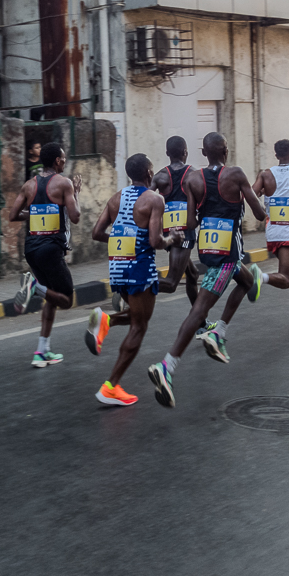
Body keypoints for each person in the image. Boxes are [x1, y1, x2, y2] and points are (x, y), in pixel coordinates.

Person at [147, 132, 265, 408]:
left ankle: (218, 332)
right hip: (228, 251)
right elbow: (258, 214)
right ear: (225, 150)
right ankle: (167, 365)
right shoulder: (235, 174)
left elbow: (189, 221)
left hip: (207, 247)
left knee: (247, 281)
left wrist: (203, 217)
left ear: (203, 152)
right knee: (199, 310)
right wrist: (259, 207)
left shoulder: (193, 179)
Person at [205, 139, 289, 359]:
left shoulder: (265, 174)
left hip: (273, 233)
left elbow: (250, 194)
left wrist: (267, 194)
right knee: (286, 278)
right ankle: (262, 277)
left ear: (276, 154)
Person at [85, 154, 185, 406]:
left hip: (117, 266)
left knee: (137, 316)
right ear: (149, 174)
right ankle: (111, 386)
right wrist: (173, 238)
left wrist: (122, 240)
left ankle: (106, 320)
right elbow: (155, 242)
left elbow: (97, 233)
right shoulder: (155, 199)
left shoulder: (115, 198)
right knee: (140, 326)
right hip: (140, 267)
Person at [9, 142, 82, 367]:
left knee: (51, 299)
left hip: (31, 249)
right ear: (58, 161)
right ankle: (33, 287)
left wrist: (34, 212)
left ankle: (42, 351)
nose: (65, 161)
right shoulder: (64, 184)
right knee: (67, 300)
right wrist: (76, 193)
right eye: (64, 157)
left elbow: (13, 215)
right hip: (51, 250)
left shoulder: (29, 186)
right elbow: (76, 216)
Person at [151, 136, 200, 306]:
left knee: (192, 275)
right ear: (185, 153)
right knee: (172, 282)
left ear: (167, 153)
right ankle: (131, 288)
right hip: (184, 233)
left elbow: (145, 198)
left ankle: (201, 321)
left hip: (168, 231)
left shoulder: (159, 176)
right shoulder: (194, 174)